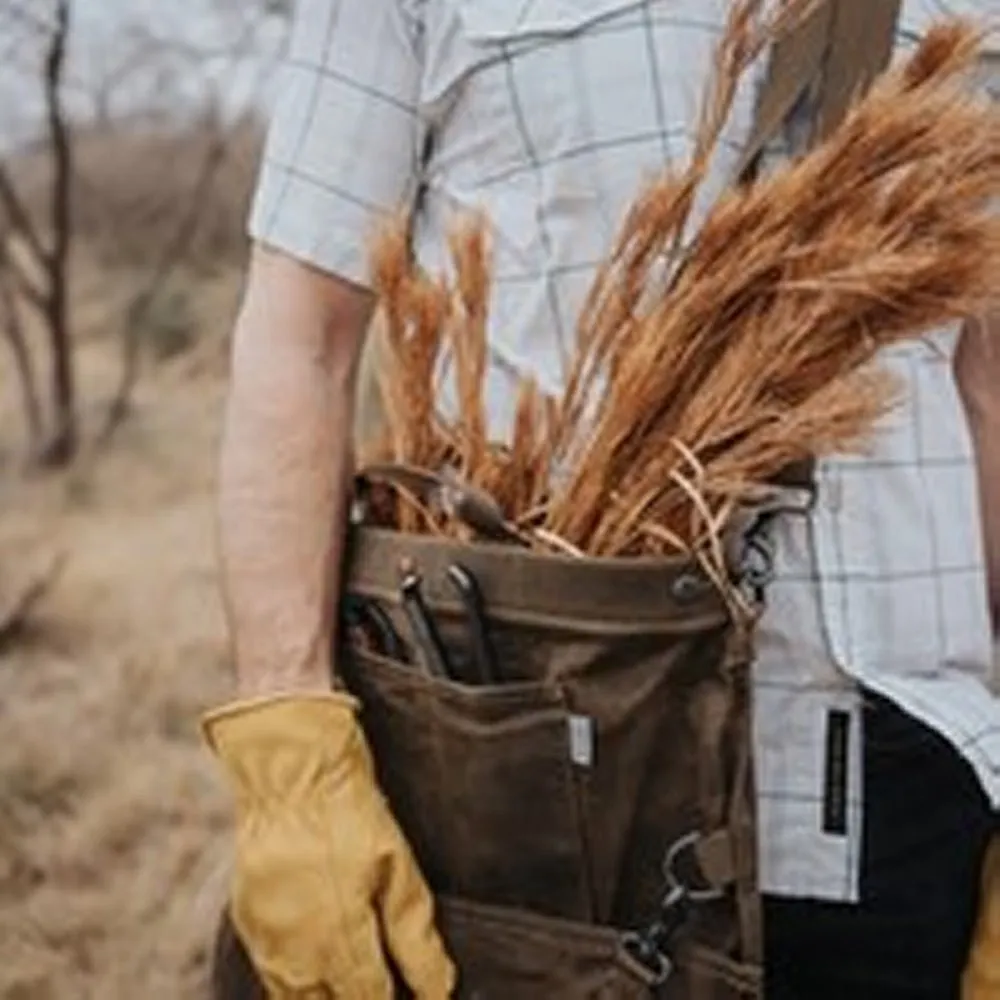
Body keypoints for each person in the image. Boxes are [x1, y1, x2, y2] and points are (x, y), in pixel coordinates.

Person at [203, 0, 999, 997]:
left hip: (918, 783)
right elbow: (300, 334)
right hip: (553, 778)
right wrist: (291, 752)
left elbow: (987, 374)